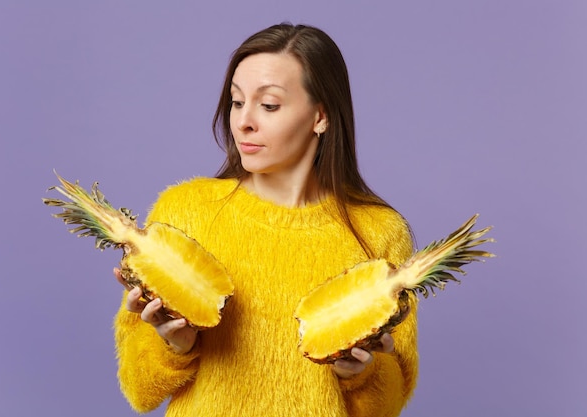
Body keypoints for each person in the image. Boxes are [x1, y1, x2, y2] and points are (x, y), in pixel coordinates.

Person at [113, 23, 418, 417]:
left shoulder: (379, 232)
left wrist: (360, 373)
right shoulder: (184, 210)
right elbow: (140, 392)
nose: (243, 122)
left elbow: (387, 407)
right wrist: (174, 347)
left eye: (269, 105)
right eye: (237, 102)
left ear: (321, 116)